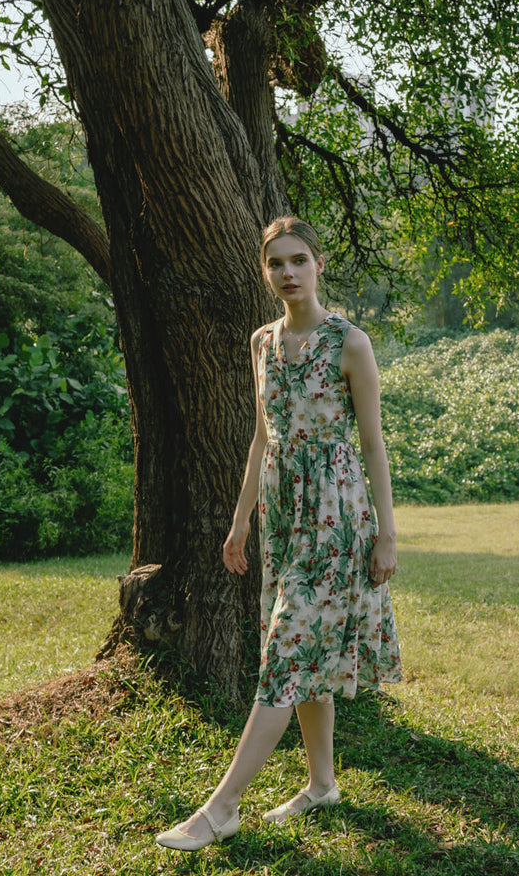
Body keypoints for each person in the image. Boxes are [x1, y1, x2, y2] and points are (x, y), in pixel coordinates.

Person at [156, 216, 402, 851]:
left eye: (299, 260)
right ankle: (322, 785)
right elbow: (262, 437)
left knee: (287, 652)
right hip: (282, 515)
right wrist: (240, 519)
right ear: (264, 273)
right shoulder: (261, 342)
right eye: (276, 264)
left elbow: (373, 445)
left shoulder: (350, 342)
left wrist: (387, 535)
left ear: (318, 264)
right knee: (301, 650)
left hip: (336, 515)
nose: (288, 272)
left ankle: (221, 808)